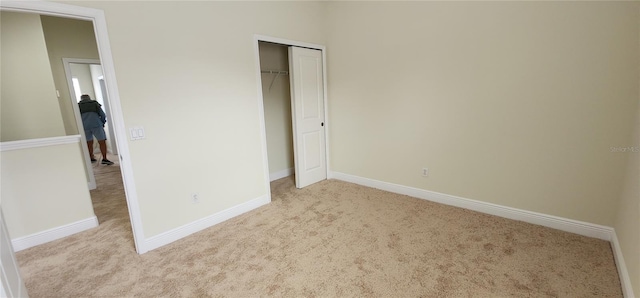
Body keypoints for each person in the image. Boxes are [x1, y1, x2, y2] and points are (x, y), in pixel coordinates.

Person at [78, 94, 114, 165]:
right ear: (89, 98)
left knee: (89, 143)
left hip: (84, 126)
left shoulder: (78, 106)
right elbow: (103, 115)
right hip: (96, 125)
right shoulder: (94, 104)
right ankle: (104, 158)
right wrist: (102, 122)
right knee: (102, 141)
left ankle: (91, 157)